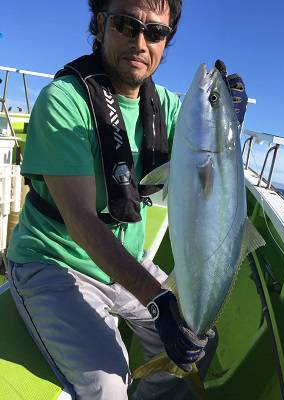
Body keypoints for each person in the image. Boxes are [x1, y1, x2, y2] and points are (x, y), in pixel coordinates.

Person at [6, 0, 247, 399]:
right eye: (125, 25)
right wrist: (158, 301)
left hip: (128, 263)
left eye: (155, 32)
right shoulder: (65, 102)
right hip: (54, 262)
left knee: (197, 346)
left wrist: (229, 126)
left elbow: (209, 151)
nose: (140, 42)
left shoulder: (170, 108)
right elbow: (82, 221)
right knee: (108, 384)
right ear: (101, 24)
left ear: (166, 42)